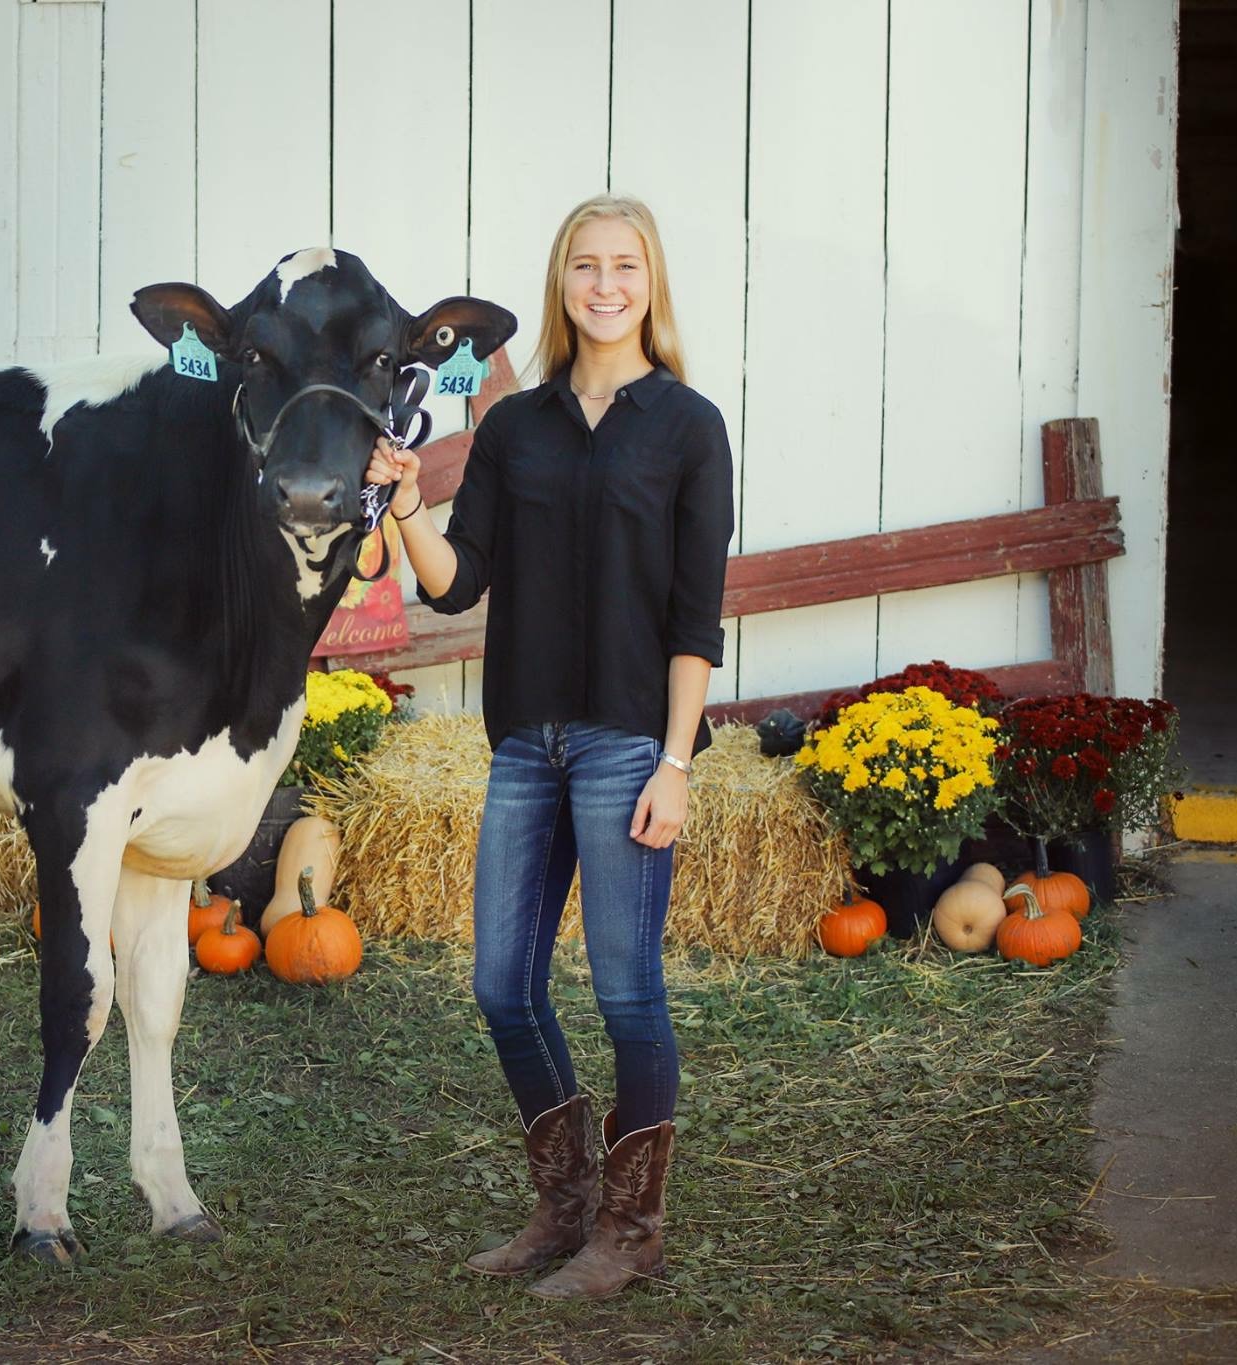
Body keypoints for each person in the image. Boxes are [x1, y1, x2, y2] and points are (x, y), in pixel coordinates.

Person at [367, 194, 733, 1299]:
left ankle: (631, 1233)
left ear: (649, 283)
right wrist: (400, 506)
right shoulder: (514, 428)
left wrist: (675, 763)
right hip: (525, 740)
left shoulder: (687, 425)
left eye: (625, 265)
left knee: (626, 992)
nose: (605, 284)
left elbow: (691, 618)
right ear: (561, 282)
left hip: (629, 745)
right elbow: (456, 581)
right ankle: (564, 1207)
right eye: (586, 265)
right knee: (500, 984)